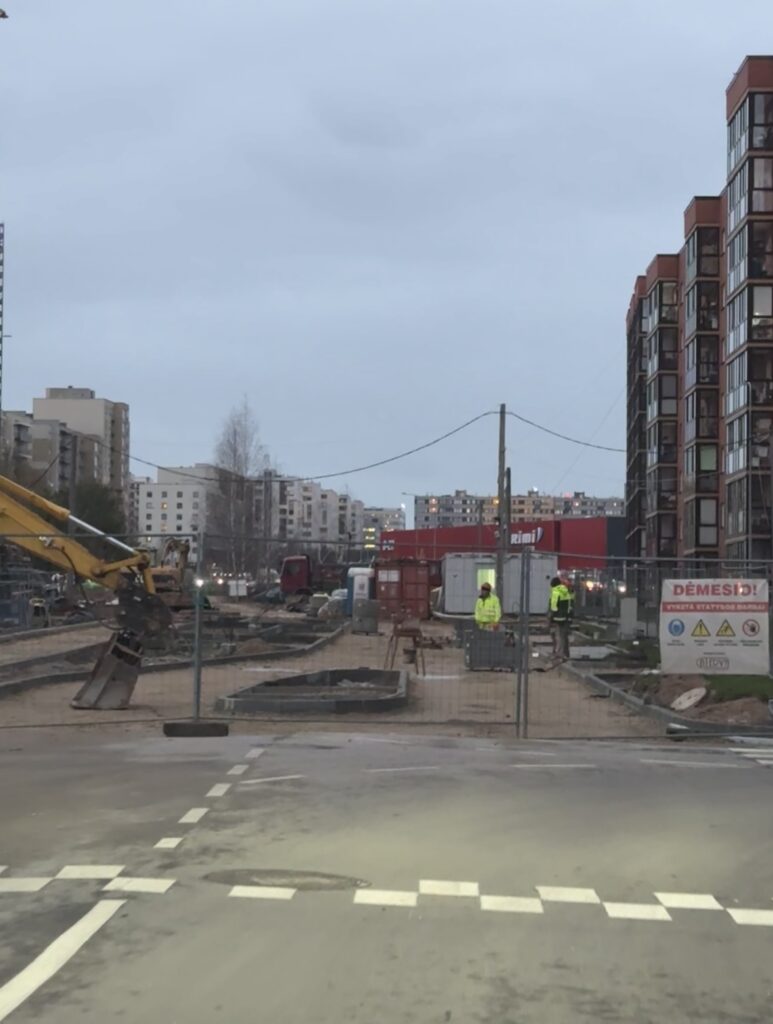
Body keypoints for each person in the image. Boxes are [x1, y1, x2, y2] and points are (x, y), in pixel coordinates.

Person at [548, 575, 573, 659]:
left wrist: (550, 618)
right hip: (566, 617)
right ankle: (566, 653)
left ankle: (560, 653)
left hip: (558, 618)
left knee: (559, 636)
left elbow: (553, 607)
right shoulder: (565, 590)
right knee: (564, 636)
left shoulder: (556, 592)